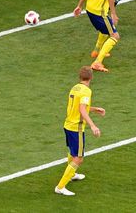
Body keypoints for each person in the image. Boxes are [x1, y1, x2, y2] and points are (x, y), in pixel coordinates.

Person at [55, 66, 106, 196]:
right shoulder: (86, 91)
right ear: (91, 77)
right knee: (79, 158)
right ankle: (60, 187)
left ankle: (72, 174)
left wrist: (94, 109)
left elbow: (78, 107)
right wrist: (93, 126)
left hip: (68, 124)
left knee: (73, 153)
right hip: (76, 128)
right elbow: (82, 110)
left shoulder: (75, 88)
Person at [73, 0, 121, 73]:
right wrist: (113, 13)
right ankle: (97, 62)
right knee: (114, 35)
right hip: (100, 12)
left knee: (105, 30)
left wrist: (79, 5)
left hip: (89, 9)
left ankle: (96, 51)